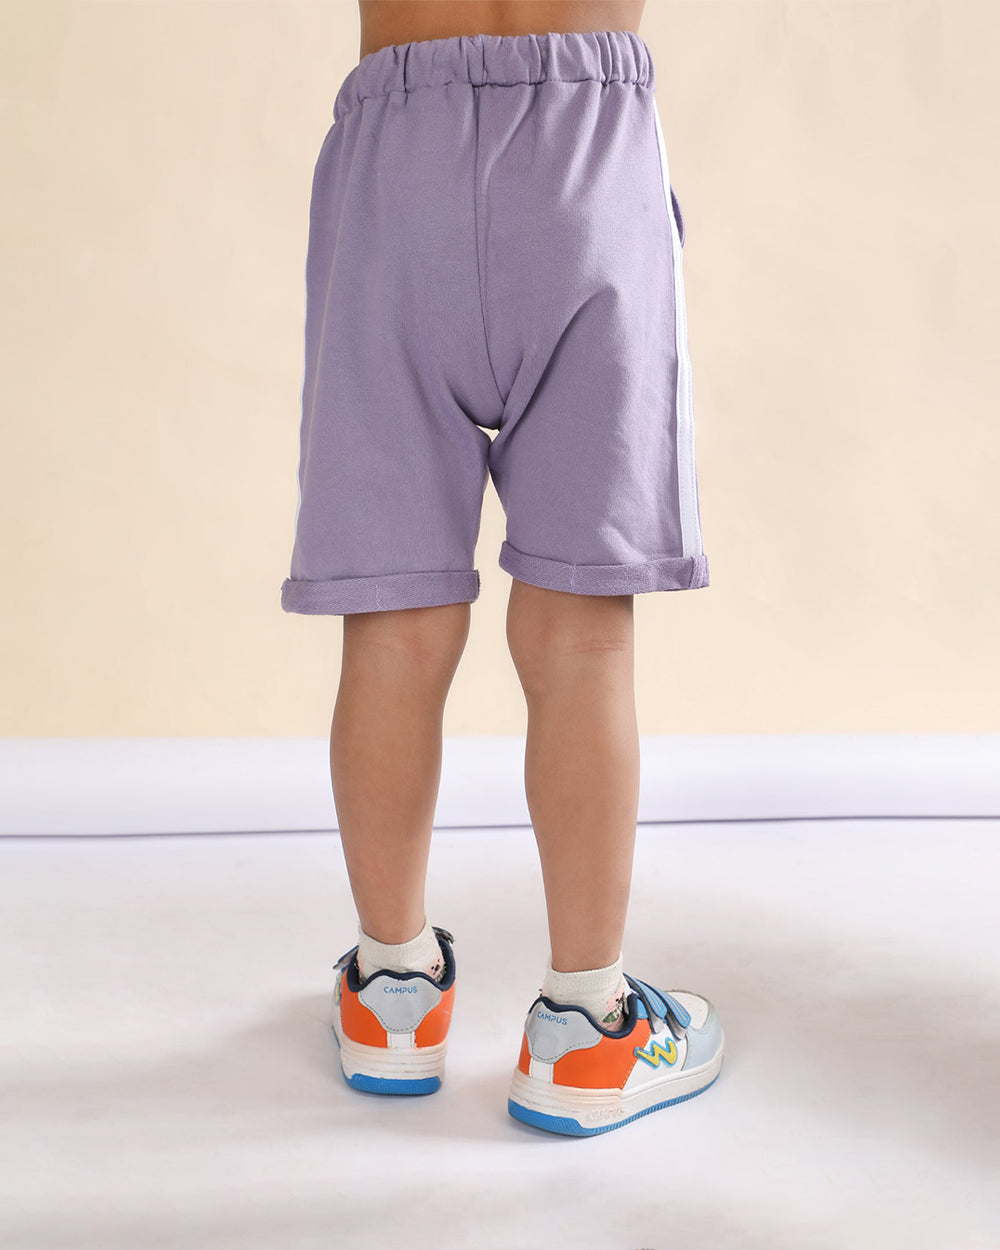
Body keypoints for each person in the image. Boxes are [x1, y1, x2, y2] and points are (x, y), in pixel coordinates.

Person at [280, 0, 724, 1135]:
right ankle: (586, 1025)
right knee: (582, 631)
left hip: (396, 164)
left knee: (393, 619)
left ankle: (392, 990)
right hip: (587, 155)